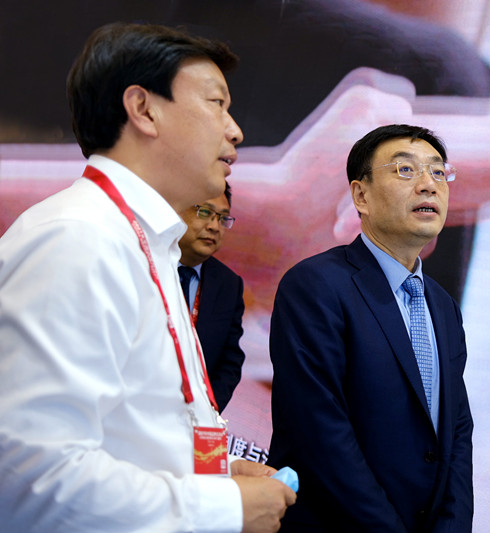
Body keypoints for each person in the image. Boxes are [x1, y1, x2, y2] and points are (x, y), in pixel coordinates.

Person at [0, 22, 295, 532]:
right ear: (143, 109)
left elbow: (128, 433)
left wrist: (213, 473)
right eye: (216, 103)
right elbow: (29, 480)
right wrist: (223, 509)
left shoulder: (146, 243)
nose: (235, 131)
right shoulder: (80, 238)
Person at [268, 124, 474, 532]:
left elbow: (457, 431)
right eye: (405, 170)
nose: (428, 185)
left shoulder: (444, 307)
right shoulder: (316, 285)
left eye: (438, 172)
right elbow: (320, 433)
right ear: (361, 195)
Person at [179, 181, 246, 412]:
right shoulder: (145, 265)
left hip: (196, 419)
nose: (214, 226)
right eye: (205, 212)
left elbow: (230, 360)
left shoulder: (229, 284)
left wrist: (206, 412)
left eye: (223, 218)